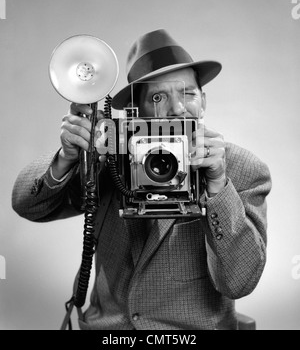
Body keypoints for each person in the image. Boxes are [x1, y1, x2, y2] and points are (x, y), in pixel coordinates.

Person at [12, 29, 272, 330]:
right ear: (136, 111)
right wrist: (67, 157)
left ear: (203, 101)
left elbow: (241, 281)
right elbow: (26, 205)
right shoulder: (110, 159)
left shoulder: (241, 168)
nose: (176, 108)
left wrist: (217, 188)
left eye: (187, 94)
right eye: (158, 97)